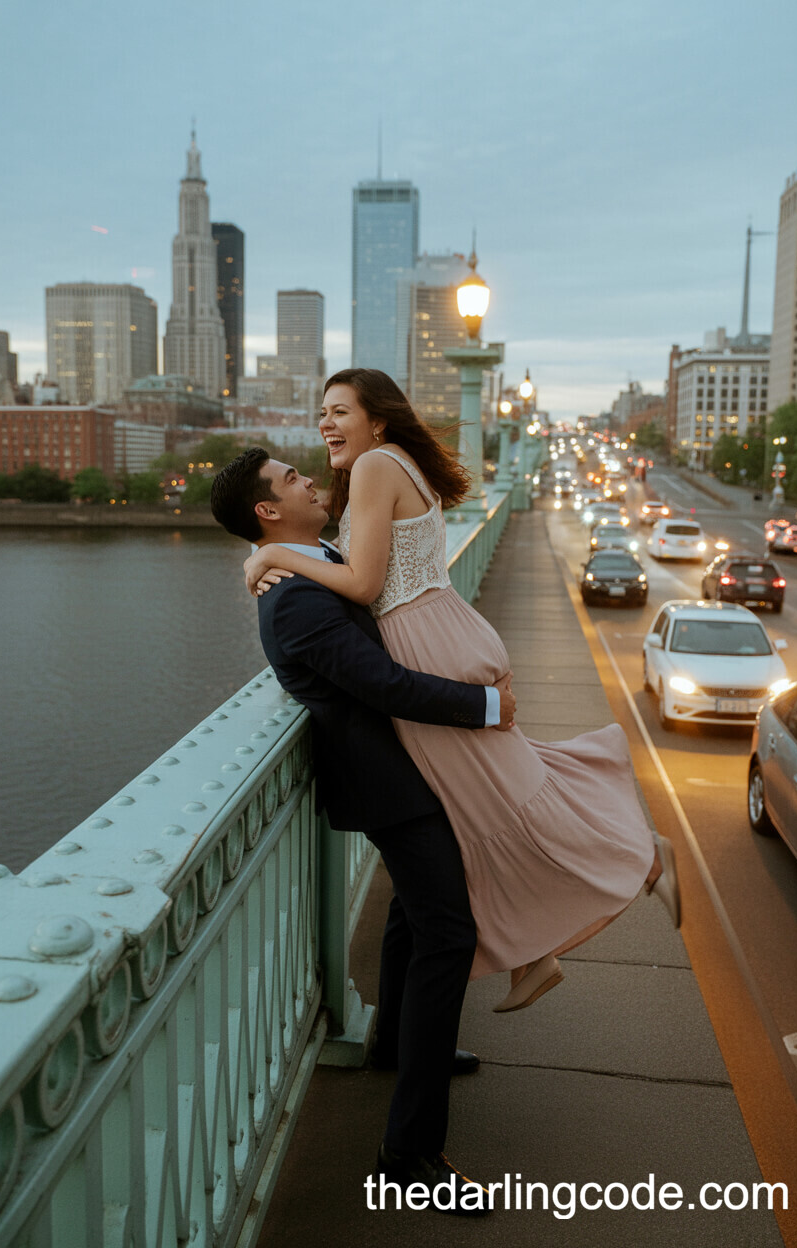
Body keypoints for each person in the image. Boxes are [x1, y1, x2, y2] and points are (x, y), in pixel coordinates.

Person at [243, 368, 680, 1015]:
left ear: (379, 420)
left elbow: (362, 583)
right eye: (321, 414)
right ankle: (532, 949)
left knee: (495, 802)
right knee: (482, 801)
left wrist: (269, 558)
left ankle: (642, 859)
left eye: (339, 412)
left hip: (422, 639)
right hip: (440, 630)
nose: (325, 425)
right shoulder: (391, 466)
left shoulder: (375, 468)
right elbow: (348, 556)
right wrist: (284, 550)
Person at [210, 447, 513, 1213]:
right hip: (388, 785)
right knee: (448, 932)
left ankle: (393, 1046)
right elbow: (380, 681)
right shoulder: (297, 599)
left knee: (415, 917)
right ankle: (409, 1156)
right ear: (268, 513)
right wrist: (483, 707)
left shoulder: (311, 563)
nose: (311, 478)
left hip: (397, 774)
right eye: (290, 480)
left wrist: (265, 557)